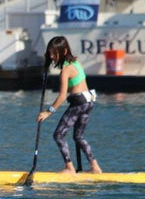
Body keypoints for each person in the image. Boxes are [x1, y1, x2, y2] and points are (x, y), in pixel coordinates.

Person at [36, 36, 102, 174]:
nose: (52, 56)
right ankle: (95, 167)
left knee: (58, 135)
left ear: (64, 51)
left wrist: (48, 112)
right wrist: (47, 63)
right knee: (78, 137)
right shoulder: (76, 61)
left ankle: (69, 167)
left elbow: (62, 96)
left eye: (55, 53)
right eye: (50, 53)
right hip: (89, 101)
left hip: (78, 103)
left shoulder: (65, 70)